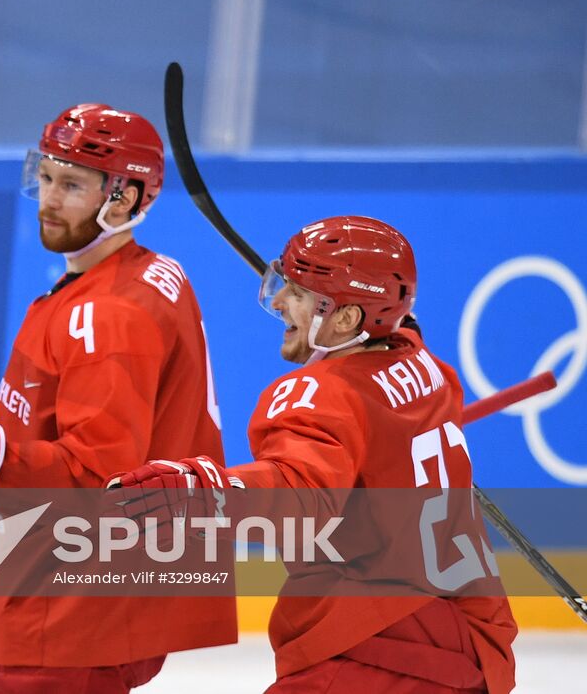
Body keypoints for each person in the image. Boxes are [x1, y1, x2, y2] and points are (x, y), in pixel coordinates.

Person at [0, 105, 237, 693]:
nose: (48, 198)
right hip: (74, 596)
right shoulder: (146, 277)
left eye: (71, 185)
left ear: (127, 198)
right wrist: (2, 586)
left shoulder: (106, 315)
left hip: (74, 609)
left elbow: (101, 482)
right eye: (45, 177)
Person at [108, 216, 517, 694]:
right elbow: (403, 335)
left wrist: (210, 491)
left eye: (298, 293)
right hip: (472, 637)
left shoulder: (320, 393)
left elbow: (300, 488)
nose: (279, 301)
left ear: (345, 320)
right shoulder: (427, 369)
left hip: (385, 647)